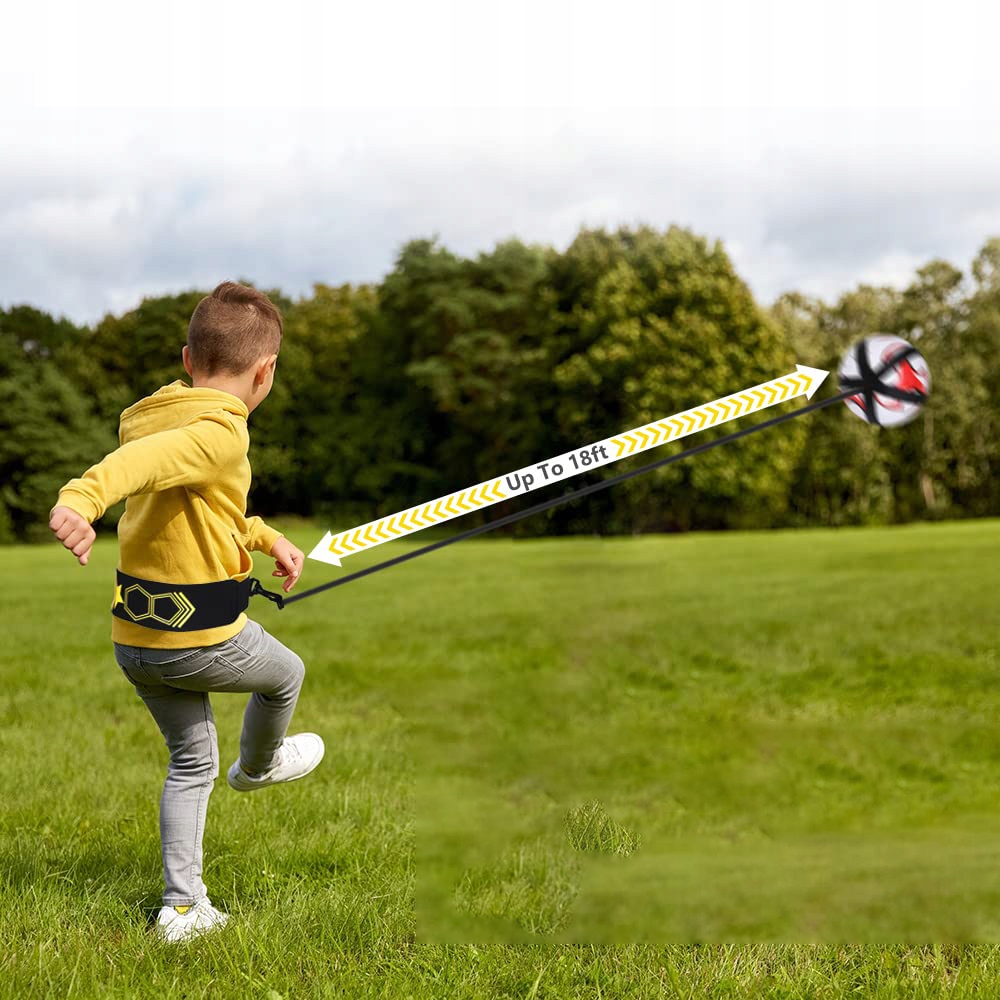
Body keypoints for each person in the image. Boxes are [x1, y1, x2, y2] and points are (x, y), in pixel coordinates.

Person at [49, 281, 324, 943]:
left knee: (191, 762)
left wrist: (265, 537)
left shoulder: (165, 415)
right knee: (286, 673)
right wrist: (83, 498)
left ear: (186, 358)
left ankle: (181, 910)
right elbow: (139, 462)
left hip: (136, 644)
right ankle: (259, 767)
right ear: (266, 373)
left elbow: (209, 507)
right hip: (198, 640)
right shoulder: (220, 433)